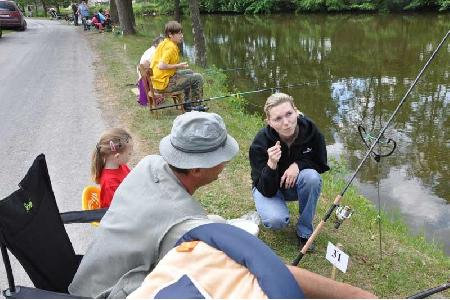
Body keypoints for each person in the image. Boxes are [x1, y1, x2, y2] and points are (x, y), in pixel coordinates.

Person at [69, 112, 375, 299]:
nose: (225, 163)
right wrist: (358, 295)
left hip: (88, 279)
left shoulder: (149, 165)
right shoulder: (187, 228)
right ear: (199, 169)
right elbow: (269, 269)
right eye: (220, 158)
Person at [249, 92, 330, 251]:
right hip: (267, 188)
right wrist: (272, 164)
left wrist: (298, 165)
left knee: (312, 178)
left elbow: (321, 164)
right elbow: (265, 189)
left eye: (289, 114)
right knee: (276, 221)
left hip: (293, 185)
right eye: (277, 119)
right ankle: (270, 208)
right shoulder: (260, 143)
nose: (286, 123)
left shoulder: (312, 131)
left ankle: (305, 231)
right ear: (269, 122)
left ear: (296, 111)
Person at [150, 20, 208, 112]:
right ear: (170, 34)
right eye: (179, 34)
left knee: (190, 72)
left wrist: (178, 66)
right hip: (163, 84)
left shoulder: (165, 43)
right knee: (198, 78)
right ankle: (196, 106)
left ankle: (187, 103)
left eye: (181, 33)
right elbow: (161, 66)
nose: (182, 36)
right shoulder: (170, 47)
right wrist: (178, 65)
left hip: (158, 80)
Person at [91, 128, 133, 208]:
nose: (130, 156)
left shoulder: (120, 164)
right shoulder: (110, 184)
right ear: (117, 156)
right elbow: (116, 210)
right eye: (129, 154)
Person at [137, 36, 164, 106]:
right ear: (155, 44)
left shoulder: (152, 50)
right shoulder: (154, 51)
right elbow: (145, 63)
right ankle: (157, 98)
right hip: (145, 74)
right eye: (161, 43)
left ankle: (155, 97)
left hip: (143, 72)